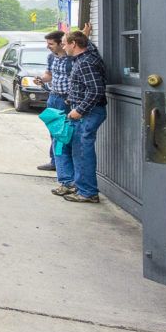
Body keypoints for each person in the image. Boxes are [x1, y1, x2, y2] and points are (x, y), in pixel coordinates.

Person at [55, 29, 107, 203]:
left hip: (88, 114)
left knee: (82, 152)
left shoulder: (85, 62)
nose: (63, 46)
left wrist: (80, 110)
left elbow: (96, 90)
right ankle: (78, 185)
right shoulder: (87, 56)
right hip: (82, 112)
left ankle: (87, 192)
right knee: (69, 147)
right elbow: (88, 46)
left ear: (73, 44)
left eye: (64, 43)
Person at [34, 30, 71, 176]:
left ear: (61, 43)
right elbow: (49, 75)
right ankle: (55, 161)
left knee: (62, 133)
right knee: (53, 131)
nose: (48, 46)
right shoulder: (51, 58)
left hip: (66, 99)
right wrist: (41, 79)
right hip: (53, 97)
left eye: (51, 44)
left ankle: (62, 167)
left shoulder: (71, 59)